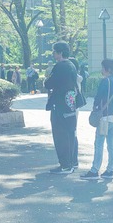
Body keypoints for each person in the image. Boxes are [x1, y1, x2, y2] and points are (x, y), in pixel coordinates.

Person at [81, 58, 113, 181]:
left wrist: (95, 109)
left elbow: (98, 98)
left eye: (103, 67)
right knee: (111, 144)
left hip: (105, 116)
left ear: (108, 69)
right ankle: (110, 170)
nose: (101, 70)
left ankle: (94, 170)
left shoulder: (105, 81)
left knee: (99, 143)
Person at [44, 41, 80, 175]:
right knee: (70, 133)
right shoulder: (72, 65)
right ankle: (72, 162)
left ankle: (65, 164)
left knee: (60, 135)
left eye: (54, 51)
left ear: (59, 53)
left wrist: (45, 80)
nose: (53, 54)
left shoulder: (59, 66)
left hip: (59, 105)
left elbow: (49, 83)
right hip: (70, 104)